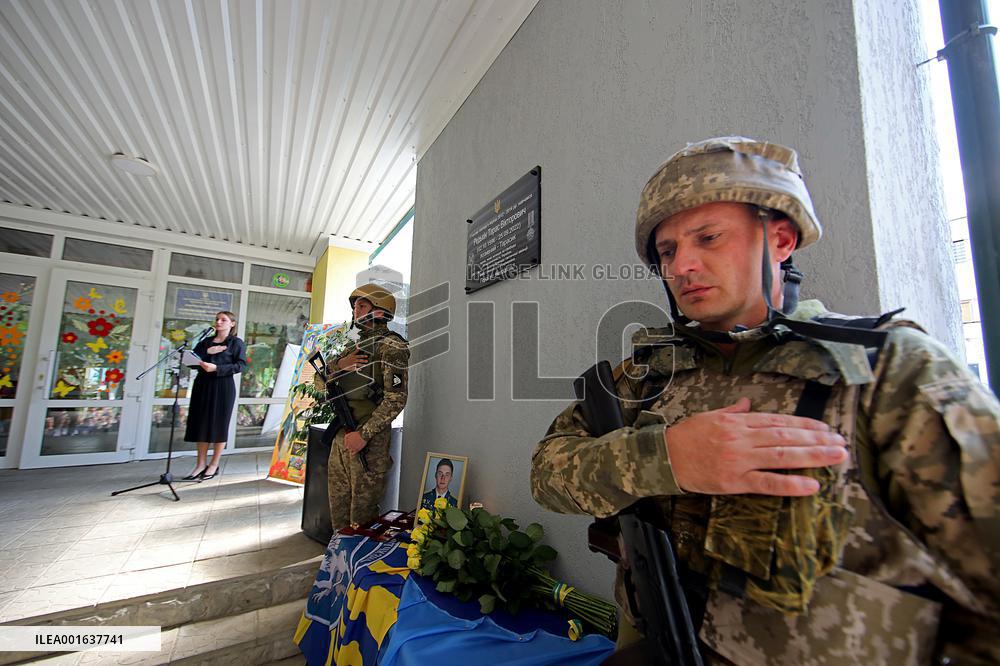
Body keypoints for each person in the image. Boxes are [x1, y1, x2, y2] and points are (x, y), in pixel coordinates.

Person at [530, 137, 1000, 664]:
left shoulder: (889, 371)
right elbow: (547, 473)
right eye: (668, 250)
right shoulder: (647, 373)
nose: (683, 265)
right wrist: (667, 459)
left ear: (779, 239)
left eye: (708, 238)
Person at [319, 283, 409, 530]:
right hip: (341, 436)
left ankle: (360, 565)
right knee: (338, 512)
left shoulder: (392, 347)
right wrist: (340, 364)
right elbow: (318, 381)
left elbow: (396, 398)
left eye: (362, 305)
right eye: (355, 307)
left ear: (379, 311)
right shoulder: (352, 348)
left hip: (368, 444)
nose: (355, 311)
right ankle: (339, 564)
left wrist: (364, 435)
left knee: (362, 518)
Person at [183, 310, 247, 480]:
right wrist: (208, 353)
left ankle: (214, 464)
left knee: (219, 424)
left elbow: (240, 366)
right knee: (201, 424)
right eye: (217, 319)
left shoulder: (236, 343)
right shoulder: (205, 342)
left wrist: (217, 368)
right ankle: (200, 464)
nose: (219, 322)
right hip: (203, 384)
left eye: (223, 320)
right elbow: (192, 361)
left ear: (232, 324)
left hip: (223, 386)